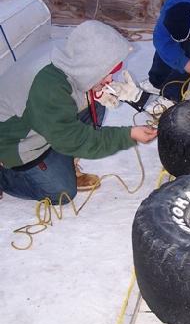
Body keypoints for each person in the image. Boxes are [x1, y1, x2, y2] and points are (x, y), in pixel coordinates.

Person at [0, 20, 157, 204]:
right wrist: (128, 135)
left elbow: (74, 90)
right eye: (107, 73)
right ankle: (4, 176)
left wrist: (96, 92)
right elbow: (72, 138)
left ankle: (61, 155)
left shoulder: (71, 54)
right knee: (62, 192)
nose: (110, 79)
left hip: (43, 121)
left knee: (96, 103)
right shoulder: (48, 87)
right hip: (14, 142)